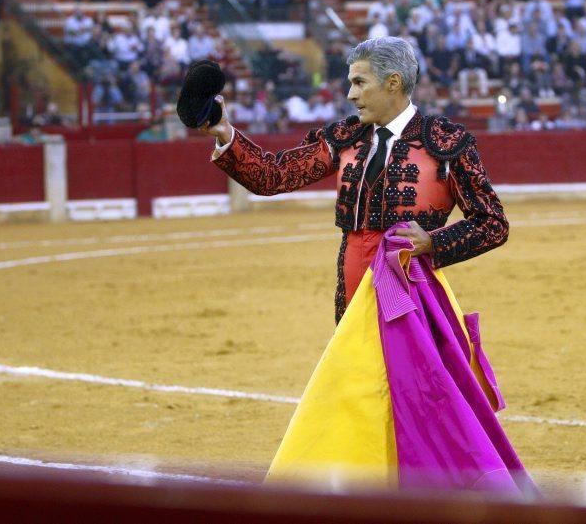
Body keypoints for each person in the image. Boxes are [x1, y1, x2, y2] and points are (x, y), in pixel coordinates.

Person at [197, 35, 533, 494]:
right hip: (354, 296)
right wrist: (226, 134)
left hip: (410, 304)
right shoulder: (345, 138)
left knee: (416, 402)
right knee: (359, 397)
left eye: (359, 82)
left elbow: (493, 223)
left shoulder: (446, 145)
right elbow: (274, 175)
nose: (350, 93)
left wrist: (434, 242)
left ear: (393, 83)